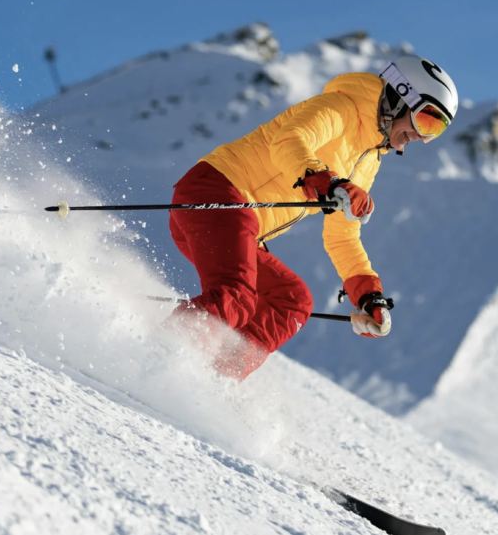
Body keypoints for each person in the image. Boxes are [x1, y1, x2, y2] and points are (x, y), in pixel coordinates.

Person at [167, 55, 459, 378]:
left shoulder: (368, 158)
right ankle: (161, 353)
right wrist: (325, 181)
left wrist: (367, 294)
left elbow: (342, 235)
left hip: (241, 226)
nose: (422, 137)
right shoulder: (342, 108)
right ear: (400, 95)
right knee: (236, 297)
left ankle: (213, 378)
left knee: (291, 300)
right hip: (218, 191)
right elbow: (288, 140)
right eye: (425, 120)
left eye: (436, 130)